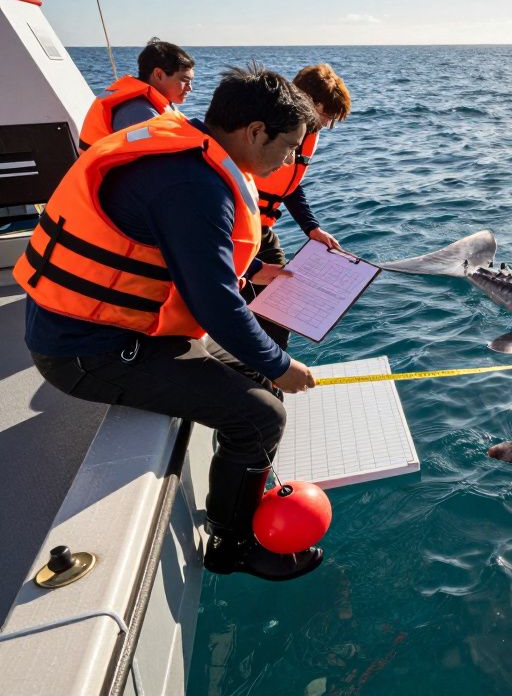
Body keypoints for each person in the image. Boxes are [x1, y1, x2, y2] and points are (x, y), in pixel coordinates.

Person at [18, 64, 323, 582]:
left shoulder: (190, 152)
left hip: (118, 327)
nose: (292, 160)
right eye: (289, 146)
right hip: (85, 349)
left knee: (254, 381)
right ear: (254, 132)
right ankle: (231, 544)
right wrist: (281, 363)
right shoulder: (195, 185)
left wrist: (255, 290)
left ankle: (242, 484)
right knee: (261, 417)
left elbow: (185, 268)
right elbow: (214, 307)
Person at [245, 63, 351, 347]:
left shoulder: (304, 135)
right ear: (311, 103)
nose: (327, 125)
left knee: (282, 303)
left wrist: (311, 228)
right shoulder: (266, 129)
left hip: (262, 231)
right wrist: (248, 264)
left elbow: (289, 185)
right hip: (235, 232)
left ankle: (271, 377)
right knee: (245, 319)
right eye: (327, 115)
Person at [78, 37, 195, 151]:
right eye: (185, 80)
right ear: (158, 74)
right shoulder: (135, 112)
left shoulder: (149, 104)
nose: (190, 88)